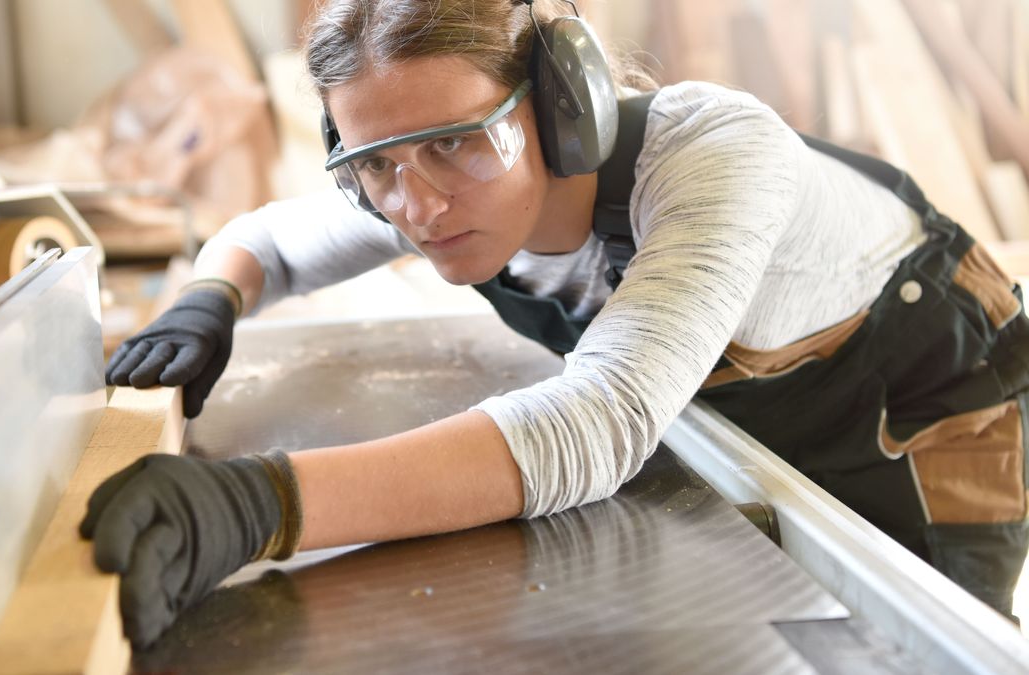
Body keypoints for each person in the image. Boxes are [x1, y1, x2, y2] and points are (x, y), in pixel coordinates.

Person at [81, 0, 1029, 648]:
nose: (414, 206)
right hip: (754, 415)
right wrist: (210, 301)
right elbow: (268, 241)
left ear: (562, 102)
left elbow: (598, 423)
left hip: (922, 419)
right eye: (374, 163)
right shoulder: (424, 182)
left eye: (455, 143)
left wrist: (262, 505)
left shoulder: (716, 154)